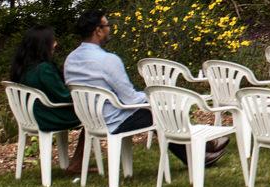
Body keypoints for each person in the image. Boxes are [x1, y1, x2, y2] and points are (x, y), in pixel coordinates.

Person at [64, 10, 224, 166]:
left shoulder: (70, 59)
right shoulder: (107, 60)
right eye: (107, 25)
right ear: (98, 30)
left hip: (90, 119)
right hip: (114, 119)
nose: (110, 29)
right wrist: (157, 99)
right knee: (161, 113)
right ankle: (197, 154)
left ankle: (204, 147)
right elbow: (130, 99)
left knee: (157, 111)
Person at [9, 27, 83, 174]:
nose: (55, 44)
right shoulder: (44, 69)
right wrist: (83, 94)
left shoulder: (23, 68)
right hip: (48, 115)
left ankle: (74, 163)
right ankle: (77, 164)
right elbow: (63, 96)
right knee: (93, 115)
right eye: (52, 41)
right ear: (43, 44)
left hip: (32, 116)